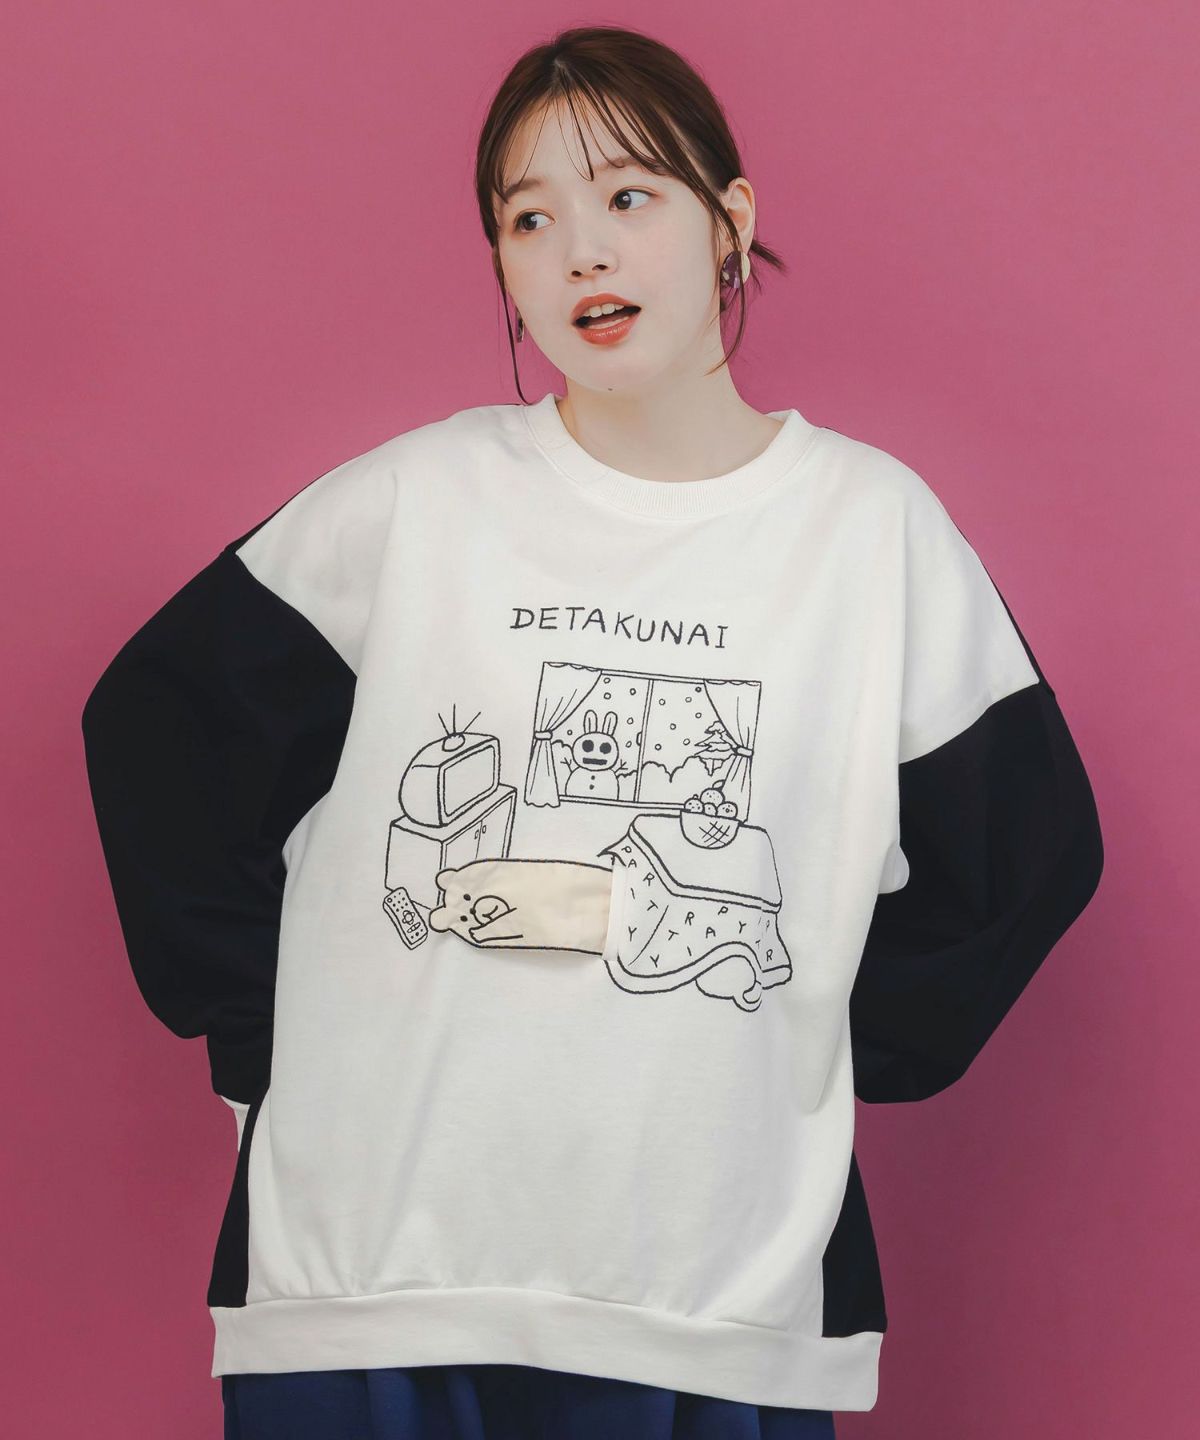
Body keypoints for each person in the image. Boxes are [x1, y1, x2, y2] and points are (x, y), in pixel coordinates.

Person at [80, 23, 1104, 1440]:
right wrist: (266, 1032)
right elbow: (160, 735)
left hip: (710, 1299)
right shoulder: (413, 507)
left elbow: (1027, 853)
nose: (582, 253)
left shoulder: (872, 538)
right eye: (530, 219)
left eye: (629, 196)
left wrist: (794, 1048)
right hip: (371, 1279)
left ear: (728, 220)